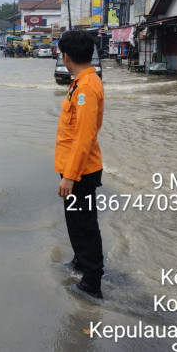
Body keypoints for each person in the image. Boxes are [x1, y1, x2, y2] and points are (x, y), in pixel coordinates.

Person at [54, 31, 105, 299]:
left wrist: (70, 177)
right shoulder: (82, 82)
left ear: (67, 56)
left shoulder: (86, 88)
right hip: (76, 168)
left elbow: (84, 136)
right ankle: (80, 261)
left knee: (84, 224)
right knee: (75, 221)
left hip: (81, 172)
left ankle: (92, 280)